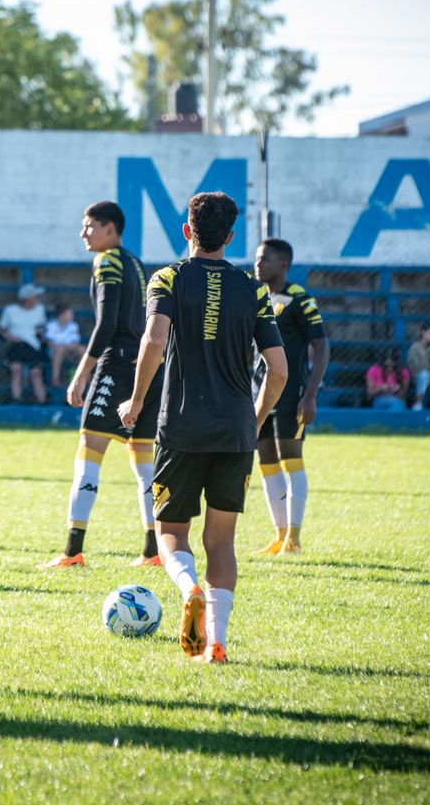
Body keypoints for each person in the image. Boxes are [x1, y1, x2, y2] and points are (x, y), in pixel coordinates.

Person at [118, 192, 286, 666]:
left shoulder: (168, 277)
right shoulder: (252, 288)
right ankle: (216, 640)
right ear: (230, 237)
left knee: (171, 533)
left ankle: (188, 588)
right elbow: (279, 371)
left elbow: (153, 341)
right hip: (235, 431)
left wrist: (134, 400)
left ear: (187, 231)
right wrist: (252, 422)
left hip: (182, 427)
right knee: (221, 542)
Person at [40, 201, 162, 570]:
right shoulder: (137, 264)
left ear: (111, 229)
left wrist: (82, 372)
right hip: (146, 366)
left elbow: (106, 322)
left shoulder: (106, 261)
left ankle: (73, 551)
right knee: (144, 463)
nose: (83, 233)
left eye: (89, 225)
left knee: (90, 452)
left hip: (116, 365)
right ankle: (152, 550)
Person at [251, 238, 329, 556]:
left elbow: (321, 346)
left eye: (265, 259)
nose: (258, 264)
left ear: (283, 264)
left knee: (291, 457)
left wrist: (310, 394)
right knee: (266, 461)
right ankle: (279, 535)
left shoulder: (299, 300)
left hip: (291, 392)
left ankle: (294, 539)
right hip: (261, 393)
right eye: (257, 258)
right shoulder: (256, 299)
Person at [0, 283, 48, 404]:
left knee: (35, 372)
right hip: (16, 345)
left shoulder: (40, 310)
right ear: (27, 299)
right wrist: (11, 337)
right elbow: (2, 330)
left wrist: (42, 337)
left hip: (32, 346)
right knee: (16, 369)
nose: (38, 298)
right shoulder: (10, 311)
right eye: (36, 296)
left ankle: (42, 401)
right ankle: (16, 399)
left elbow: (42, 329)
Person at [44, 306, 84, 389]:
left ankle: (84, 378)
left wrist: (67, 348)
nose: (72, 316)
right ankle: (55, 379)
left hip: (70, 351)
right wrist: (63, 348)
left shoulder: (73, 326)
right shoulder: (51, 325)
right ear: (61, 315)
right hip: (54, 352)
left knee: (82, 349)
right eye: (69, 314)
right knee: (60, 349)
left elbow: (75, 343)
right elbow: (50, 342)